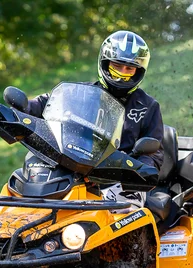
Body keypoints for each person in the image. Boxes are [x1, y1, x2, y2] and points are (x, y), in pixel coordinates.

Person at [25, 30, 164, 208]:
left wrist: (141, 169)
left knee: (125, 214)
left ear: (138, 71)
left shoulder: (148, 106)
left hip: (119, 180)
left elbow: (153, 152)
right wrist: (21, 108)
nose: (122, 73)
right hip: (69, 168)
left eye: (129, 68)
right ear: (105, 63)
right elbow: (44, 103)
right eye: (117, 65)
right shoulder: (77, 94)